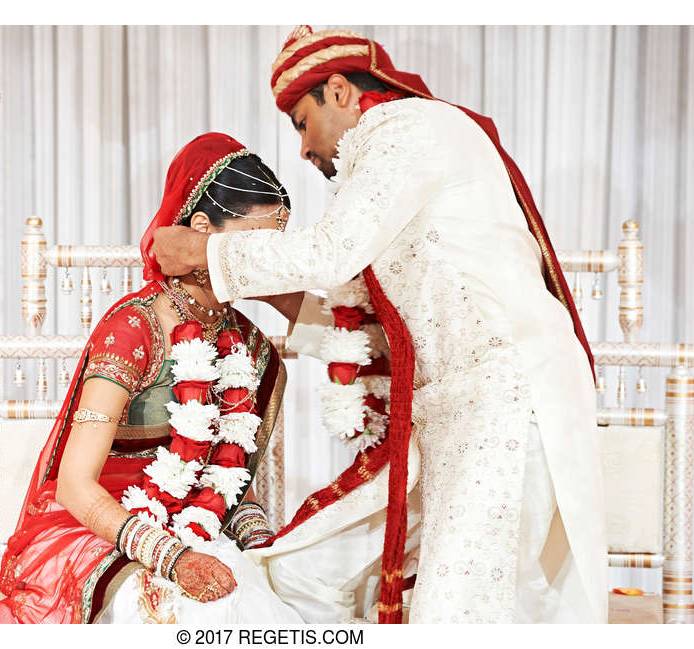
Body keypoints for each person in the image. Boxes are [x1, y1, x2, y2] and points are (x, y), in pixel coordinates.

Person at [150, 27, 608, 623]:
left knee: (463, 611)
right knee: (312, 569)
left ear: (339, 90)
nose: (304, 149)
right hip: (451, 412)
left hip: (506, 399)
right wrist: (273, 298)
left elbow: (331, 252)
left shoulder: (407, 129)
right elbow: (368, 324)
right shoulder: (401, 147)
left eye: (299, 121)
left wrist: (203, 255)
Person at [0, 132, 303, 624]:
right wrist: (172, 558)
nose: (265, 261)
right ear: (199, 232)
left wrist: (262, 545)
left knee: (281, 600)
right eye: (254, 243)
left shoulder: (250, 347)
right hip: (94, 532)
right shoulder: (133, 329)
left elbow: (226, 474)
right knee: (202, 615)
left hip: (197, 529)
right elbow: (73, 485)